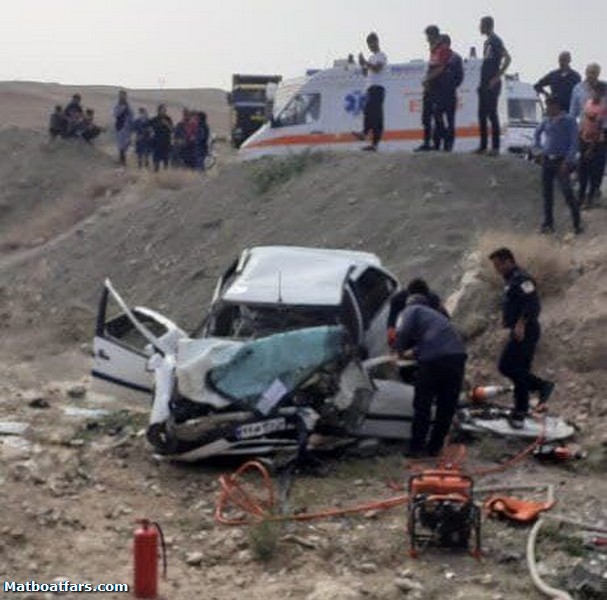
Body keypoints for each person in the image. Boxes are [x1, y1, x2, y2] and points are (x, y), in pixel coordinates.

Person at [488, 248, 554, 429]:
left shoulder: (521, 279)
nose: (497, 269)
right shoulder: (510, 280)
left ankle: (541, 386)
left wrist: (521, 323)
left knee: (506, 366)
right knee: (519, 371)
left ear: (508, 261)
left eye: (498, 265)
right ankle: (520, 413)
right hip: (520, 330)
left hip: (526, 330)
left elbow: (533, 304)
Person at [393, 294, 467, 457]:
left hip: (434, 361)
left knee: (422, 403)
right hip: (457, 357)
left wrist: (397, 351)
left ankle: (416, 448)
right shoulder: (438, 318)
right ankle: (434, 448)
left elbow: (402, 330)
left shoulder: (411, 310)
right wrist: (412, 353)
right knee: (446, 405)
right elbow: (434, 341)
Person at [533, 96, 582, 234]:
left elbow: (574, 142)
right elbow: (536, 134)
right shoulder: (546, 120)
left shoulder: (569, 120)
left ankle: (577, 224)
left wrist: (568, 161)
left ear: (556, 106)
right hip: (547, 160)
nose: (547, 109)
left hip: (562, 161)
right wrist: (538, 152)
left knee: (567, 193)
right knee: (547, 194)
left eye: (549, 106)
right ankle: (548, 224)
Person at [475, 16, 511, 156]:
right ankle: (483, 146)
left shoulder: (496, 40)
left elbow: (508, 58)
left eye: (481, 25)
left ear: (487, 25)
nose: (479, 27)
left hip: (492, 84)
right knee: (481, 114)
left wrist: (496, 77)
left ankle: (495, 147)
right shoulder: (487, 42)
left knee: (492, 114)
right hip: (484, 83)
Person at [415, 26, 450, 152]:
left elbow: (441, 68)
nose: (427, 39)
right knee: (426, 116)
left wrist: (428, 79)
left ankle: (446, 140)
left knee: (437, 116)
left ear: (433, 36)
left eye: (428, 36)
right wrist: (426, 80)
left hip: (439, 88)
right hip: (430, 88)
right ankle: (426, 143)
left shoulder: (443, 49)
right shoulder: (433, 50)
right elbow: (431, 67)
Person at [387, 278, 449, 347]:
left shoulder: (433, 299)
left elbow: (446, 321)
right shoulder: (397, 301)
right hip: (407, 337)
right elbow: (391, 331)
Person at [353, 32, 388, 151]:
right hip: (370, 87)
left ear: (377, 42)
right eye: (369, 45)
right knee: (368, 112)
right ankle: (365, 133)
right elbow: (367, 73)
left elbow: (377, 69)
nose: (371, 47)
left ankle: (374, 143)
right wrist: (362, 65)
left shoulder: (381, 55)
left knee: (376, 115)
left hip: (378, 88)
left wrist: (366, 63)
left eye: (372, 43)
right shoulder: (371, 57)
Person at [578, 82, 607, 208]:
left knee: (594, 173)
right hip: (584, 140)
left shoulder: (603, 108)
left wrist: (591, 148)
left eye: (598, 92)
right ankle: (580, 198)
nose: (595, 93)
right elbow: (584, 122)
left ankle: (589, 199)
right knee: (582, 171)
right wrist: (579, 137)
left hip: (596, 143)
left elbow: (598, 129)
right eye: (593, 91)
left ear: (602, 93)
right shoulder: (588, 103)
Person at [435, 34, 464, 151]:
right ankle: (442, 137)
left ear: (447, 43)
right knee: (437, 116)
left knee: (451, 120)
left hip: (450, 93)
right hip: (439, 93)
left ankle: (449, 146)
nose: (440, 45)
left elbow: (460, 77)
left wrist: (452, 85)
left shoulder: (456, 57)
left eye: (441, 43)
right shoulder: (438, 56)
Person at [149, 104, 173, 172]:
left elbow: (172, 129)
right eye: (163, 110)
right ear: (159, 111)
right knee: (156, 161)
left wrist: (167, 124)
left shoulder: (168, 119)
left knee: (166, 162)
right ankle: (156, 175)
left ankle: (165, 176)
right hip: (157, 142)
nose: (164, 111)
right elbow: (148, 127)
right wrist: (151, 132)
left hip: (166, 142)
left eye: (165, 110)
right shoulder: (154, 119)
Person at [114, 90, 133, 166]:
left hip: (127, 127)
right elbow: (116, 114)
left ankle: (122, 159)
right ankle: (122, 160)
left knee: (126, 144)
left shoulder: (128, 105)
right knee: (121, 144)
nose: (122, 97)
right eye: (120, 95)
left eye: (123, 95)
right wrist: (122, 109)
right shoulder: (118, 105)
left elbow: (131, 115)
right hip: (120, 126)